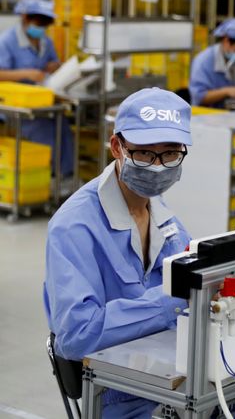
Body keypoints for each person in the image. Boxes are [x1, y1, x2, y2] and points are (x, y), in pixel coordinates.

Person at [44, 87, 192, 418]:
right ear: (117, 148)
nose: (157, 168)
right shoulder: (74, 227)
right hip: (119, 396)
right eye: (144, 155)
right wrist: (170, 302)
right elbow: (76, 335)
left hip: (171, 380)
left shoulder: (164, 217)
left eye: (170, 154)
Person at [0, 0, 74, 176]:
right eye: (39, 22)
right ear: (25, 18)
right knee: (44, 130)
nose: (42, 28)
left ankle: (65, 176)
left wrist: (54, 66)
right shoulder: (7, 41)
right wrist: (26, 73)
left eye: (46, 24)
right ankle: (47, 178)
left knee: (62, 125)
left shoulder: (45, 42)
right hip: (15, 105)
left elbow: (54, 61)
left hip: (42, 100)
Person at [189, 17, 235, 107]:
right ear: (226, 41)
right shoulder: (203, 61)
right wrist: (226, 92)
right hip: (208, 115)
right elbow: (198, 96)